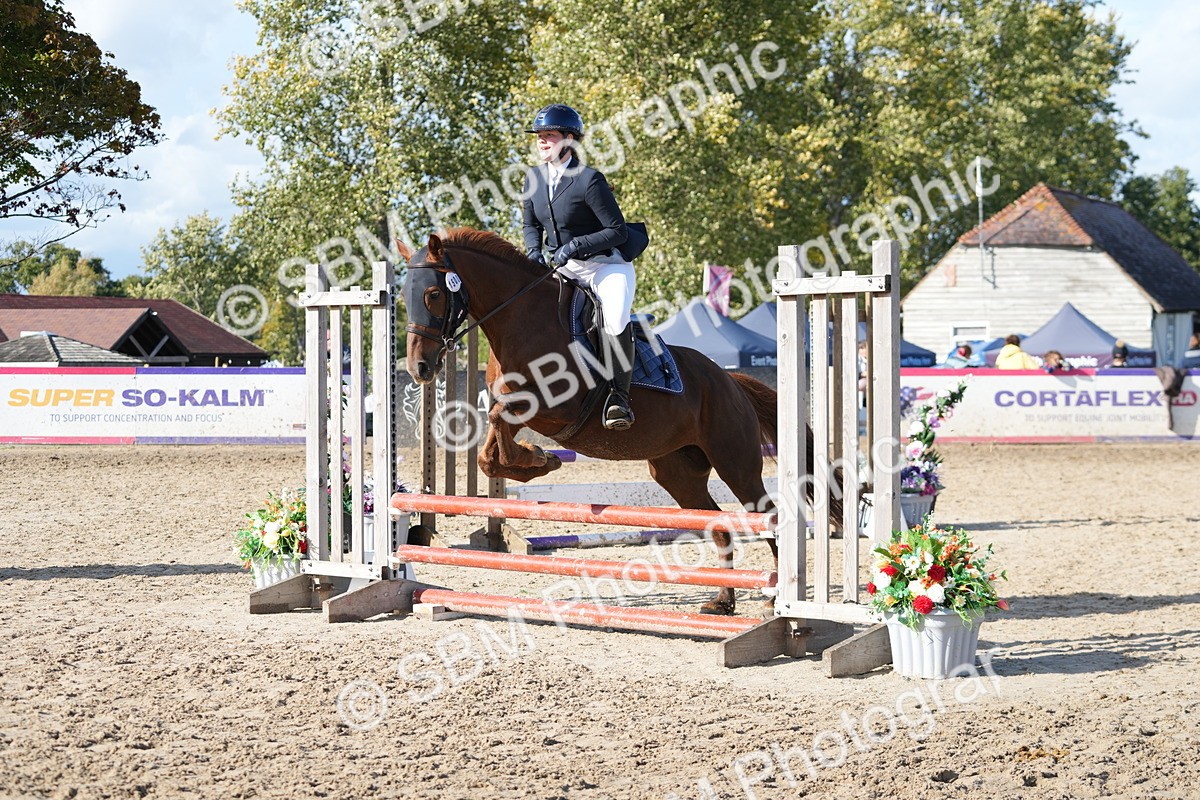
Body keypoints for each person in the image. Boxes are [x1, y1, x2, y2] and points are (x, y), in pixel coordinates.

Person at [521, 103, 637, 431]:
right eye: (539, 136)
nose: (541, 141)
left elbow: (617, 231)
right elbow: (531, 224)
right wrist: (533, 252)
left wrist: (574, 247)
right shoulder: (533, 178)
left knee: (614, 317)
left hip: (605, 266)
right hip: (564, 269)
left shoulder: (589, 180)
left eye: (549, 135)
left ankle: (619, 398)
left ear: (569, 140)